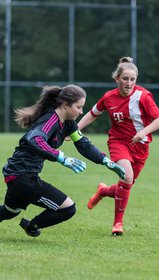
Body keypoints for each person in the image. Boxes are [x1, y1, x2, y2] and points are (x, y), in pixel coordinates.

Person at [0, 84, 125, 238]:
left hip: (17, 174)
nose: (81, 112)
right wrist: (61, 157)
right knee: (68, 208)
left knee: (10, 211)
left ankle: (31, 225)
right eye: (79, 107)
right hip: (22, 176)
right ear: (66, 105)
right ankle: (32, 226)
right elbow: (34, 139)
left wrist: (106, 161)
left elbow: (83, 145)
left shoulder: (68, 123)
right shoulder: (50, 119)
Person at [77, 57, 159, 236]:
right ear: (117, 79)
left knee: (126, 184)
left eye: (133, 79)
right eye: (125, 78)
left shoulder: (144, 96)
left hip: (140, 146)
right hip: (118, 142)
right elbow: (93, 114)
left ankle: (102, 191)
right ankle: (117, 224)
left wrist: (143, 132)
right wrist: (75, 129)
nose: (129, 83)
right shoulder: (109, 97)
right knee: (126, 177)